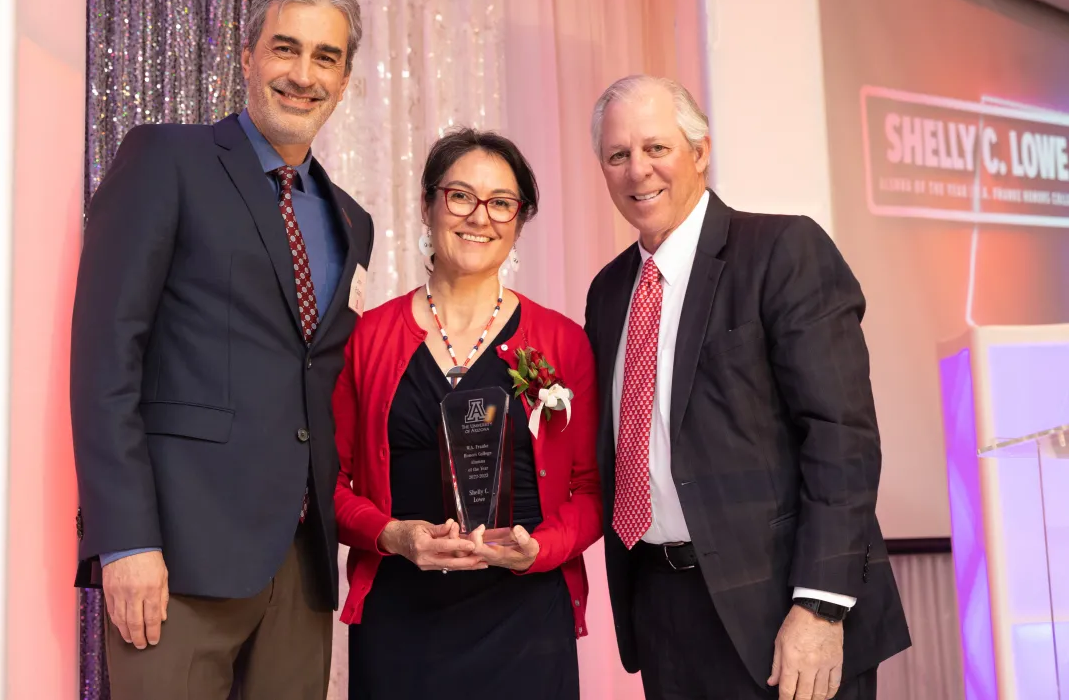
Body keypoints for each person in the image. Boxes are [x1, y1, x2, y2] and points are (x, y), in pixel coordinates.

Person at [70, 0, 373, 700]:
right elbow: (106, 357)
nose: (303, 75)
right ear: (246, 57)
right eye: (285, 49)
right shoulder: (165, 160)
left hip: (300, 571)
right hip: (175, 561)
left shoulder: (351, 219)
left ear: (345, 78)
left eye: (326, 58)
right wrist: (127, 540)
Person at [584, 75, 911, 700]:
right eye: (618, 155)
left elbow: (841, 436)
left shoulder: (783, 249)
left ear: (700, 151)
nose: (637, 171)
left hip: (783, 612)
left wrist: (819, 607)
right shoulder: (608, 291)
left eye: (657, 148)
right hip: (661, 608)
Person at [332, 128, 602, 700]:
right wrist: (392, 535)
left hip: (524, 621)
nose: (479, 217)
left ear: (519, 220)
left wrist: (541, 550)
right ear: (428, 205)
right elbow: (327, 484)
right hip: (401, 622)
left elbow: (590, 488)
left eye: (501, 203)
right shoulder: (369, 337)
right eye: (460, 196)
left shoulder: (564, 340)